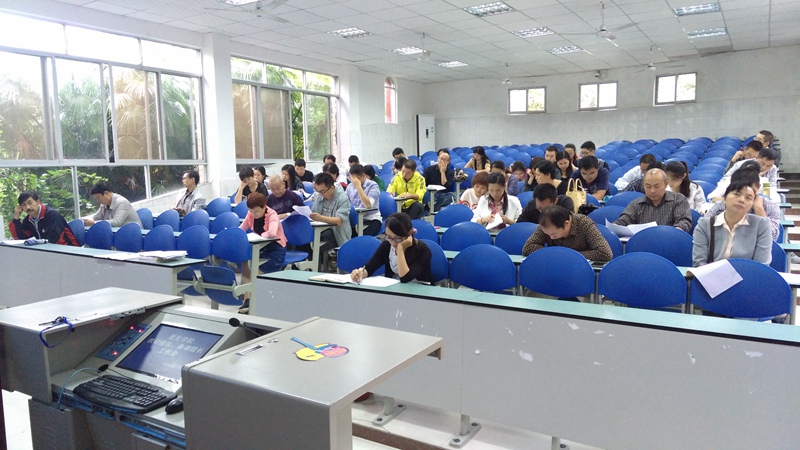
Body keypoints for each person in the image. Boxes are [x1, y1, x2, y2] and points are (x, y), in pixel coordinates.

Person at [692, 180, 772, 267]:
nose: (742, 200)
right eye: (737, 194)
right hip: (711, 274)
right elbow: (699, 263)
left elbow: (761, 266)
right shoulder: (704, 224)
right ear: (724, 199)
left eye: (748, 198)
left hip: (748, 274)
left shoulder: (761, 225)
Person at [705, 163, 780, 241]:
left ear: (758, 188)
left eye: (750, 190)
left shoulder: (771, 206)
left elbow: (772, 238)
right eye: (739, 191)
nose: (742, 198)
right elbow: (704, 230)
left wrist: (759, 210)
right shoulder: (721, 205)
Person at [238, 192, 286, 312]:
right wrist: (234, 234)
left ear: (264, 207)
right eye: (251, 211)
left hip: (275, 249)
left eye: (256, 211)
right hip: (260, 248)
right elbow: (241, 229)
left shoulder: (272, 214)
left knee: (254, 270)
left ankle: (255, 299)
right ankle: (248, 299)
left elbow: (272, 232)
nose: (253, 214)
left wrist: (259, 236)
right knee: (245, 264)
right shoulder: (250, 214)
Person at [351, 212, 431, 284]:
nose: (393, 243)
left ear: (409, 233)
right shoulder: (386, 245)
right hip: (394, 289)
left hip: (419, 291)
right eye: (389, 237)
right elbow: (369, 268)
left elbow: (405, 278)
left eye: (397, 238)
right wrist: (360, 273)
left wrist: (400, 248)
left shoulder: (423, 250)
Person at [522, 205, 612, 262]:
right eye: (548, 235)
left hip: (579, 269)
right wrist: (554, 254)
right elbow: (528, 247)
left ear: (567, 224)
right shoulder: (546, 224)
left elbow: (605, 253)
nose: (551, 238)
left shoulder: (584, 223)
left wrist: (568, 256)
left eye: (553, 234)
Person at [614, 168, 693, 232]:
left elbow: (684, 221)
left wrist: (675, 231)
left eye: (656, 186)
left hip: (670, 241)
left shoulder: (678, 200)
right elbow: (623, 221)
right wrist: (615, 227)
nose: (652, 191)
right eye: (648, 186)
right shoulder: (636, 204)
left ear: (666, 184)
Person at [9, 191, 80, 246]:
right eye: (24, 205)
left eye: (30, 203)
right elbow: (21, 239)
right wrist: (16, 218)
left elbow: (54, 239)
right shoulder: (27, 221)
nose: (28, 207)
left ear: (38, 202)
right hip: (45, 252)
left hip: (68, 250)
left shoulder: (52, 215)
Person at [710, 147, 780, 201]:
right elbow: (713, 196)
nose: (764, 167)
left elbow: (771, 194)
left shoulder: (765, 182)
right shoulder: (740, 166)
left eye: (769, 166)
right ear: (757, 157)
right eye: (762, 163)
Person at [310, 173, 351, 257]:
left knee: (314, 247)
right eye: (317, 191)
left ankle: (315, 263)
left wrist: (320, 218)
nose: (320, 193)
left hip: (336, 232)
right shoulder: (319, 196)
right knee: (305, 241)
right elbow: (313, 213)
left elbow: (339, 221)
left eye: (323, 191)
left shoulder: (342, 198)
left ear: (331, 188)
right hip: (320, 230)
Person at [347, 164, 382, 236]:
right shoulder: (350, 187)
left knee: (360, 238)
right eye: (352, 179)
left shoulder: (373, 185)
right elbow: (345, 203)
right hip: (355, 221)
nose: (354, 182)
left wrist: (358, 187)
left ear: (363, 176)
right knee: (345, 235)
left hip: (371, 219)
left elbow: (368, 205)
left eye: (356, 179)